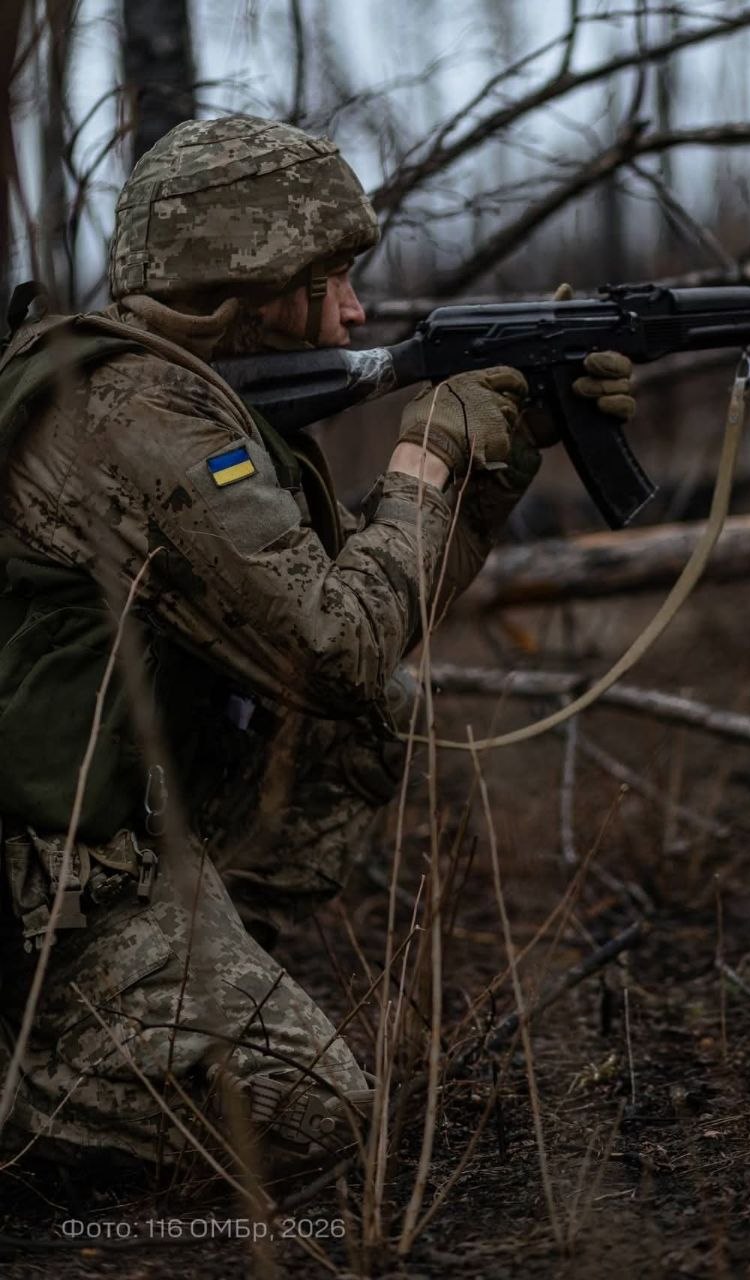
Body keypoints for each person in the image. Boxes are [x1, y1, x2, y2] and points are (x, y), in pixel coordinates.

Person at [0, 114, 635, 1179]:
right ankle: (40, 1061)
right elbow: (330, 641)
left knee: (375, 710)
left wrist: (492, 462)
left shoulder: (185, 397)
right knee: (317, 1116)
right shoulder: (132, 411)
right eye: (328, 276)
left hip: (121, 838)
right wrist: (426, 459)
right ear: (244, 282)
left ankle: (185, 966)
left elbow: (346, 615)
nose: (355, 308)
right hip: (44, 886)